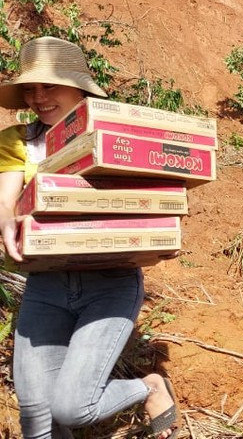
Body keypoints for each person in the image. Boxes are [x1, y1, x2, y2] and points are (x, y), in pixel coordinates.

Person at [0, 36, 178, 438]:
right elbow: (6, 198)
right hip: (45, 285)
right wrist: (7, 221)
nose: (38, 97)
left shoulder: (114, 134)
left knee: (72, 407)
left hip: (109, 283)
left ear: (79, 87)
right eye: (30, 87)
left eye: (50, 85)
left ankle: (148, 387)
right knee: (36, 415)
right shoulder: (18, 141)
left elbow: (154, 193)